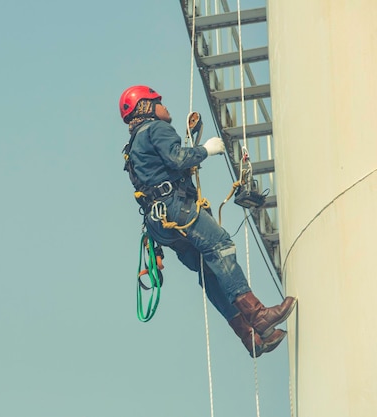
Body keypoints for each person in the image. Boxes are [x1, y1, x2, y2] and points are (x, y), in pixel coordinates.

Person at [119, 85, 296, 357]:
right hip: (177, 209)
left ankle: (250, 336)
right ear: (146, 107)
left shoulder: (132, 146)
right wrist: (205, 150)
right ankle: (259, 316)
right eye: (159, 102)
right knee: (220, 247)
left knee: (208, 272)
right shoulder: (157, 129)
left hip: (160, 225)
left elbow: (155, 176)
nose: (165, 106)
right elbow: (178, 157)